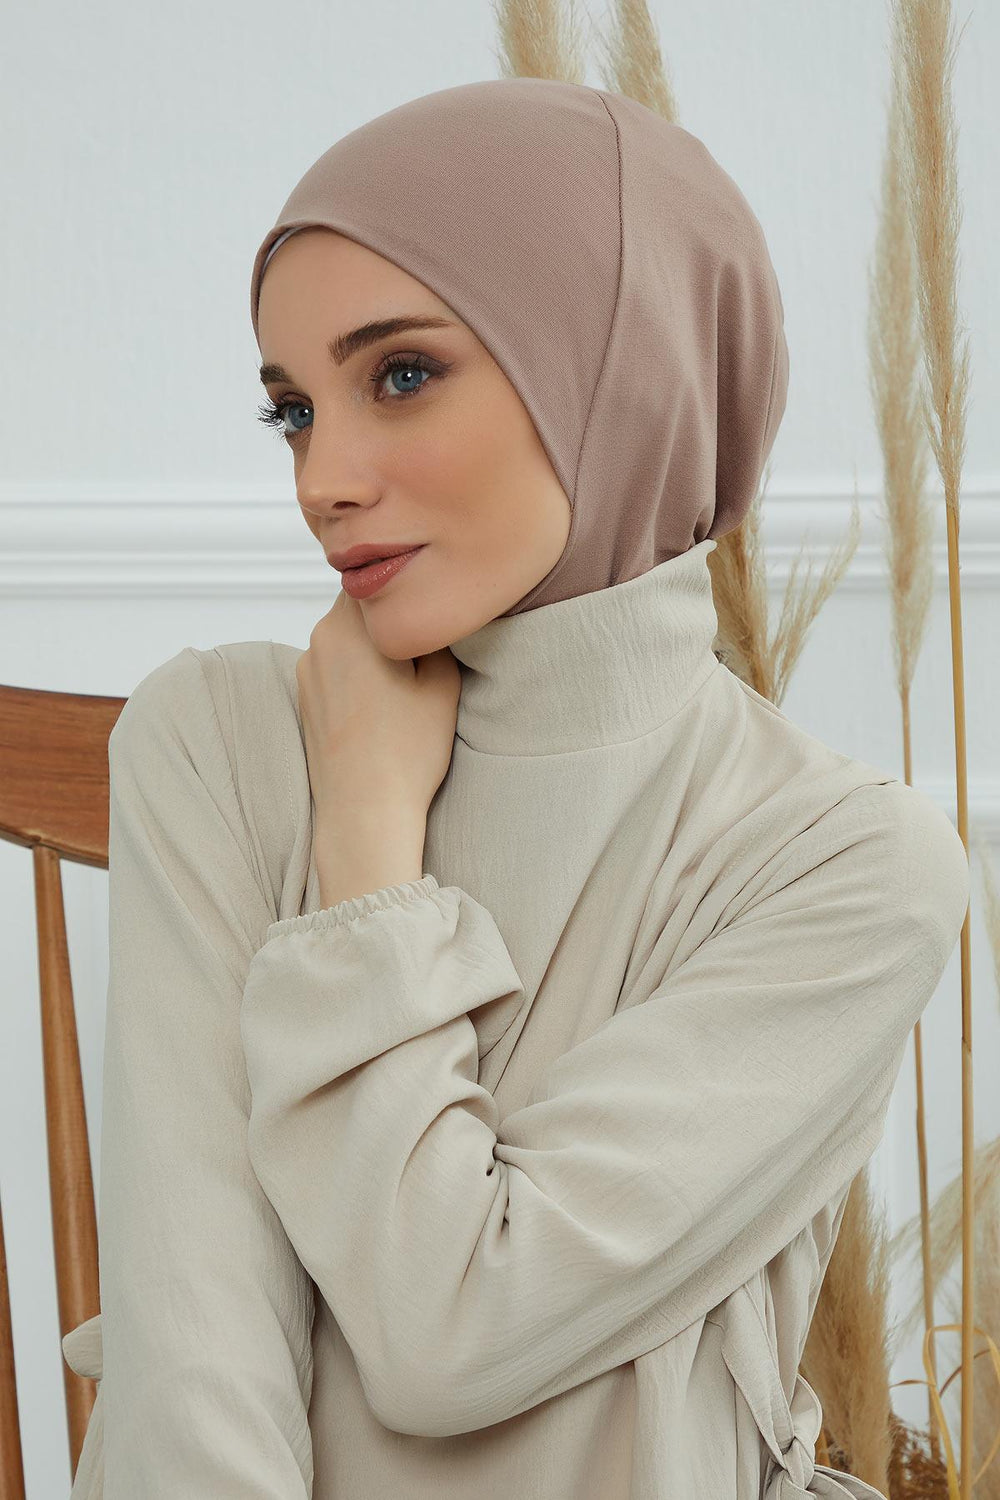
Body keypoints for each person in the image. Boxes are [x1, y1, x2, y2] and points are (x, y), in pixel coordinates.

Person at [62, 78, 969, 1499]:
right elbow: (196, 1378)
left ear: (617, 368)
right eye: (292, 409)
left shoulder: (844, 862)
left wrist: (370, 849)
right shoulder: (217, 740)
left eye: (399, 376)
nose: (321, 480)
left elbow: (450, 1334)